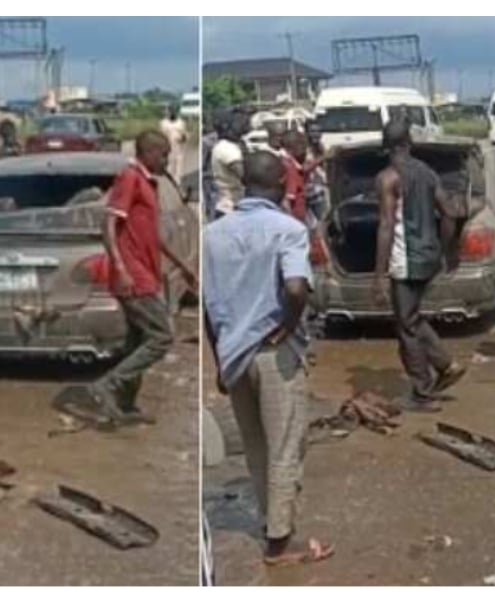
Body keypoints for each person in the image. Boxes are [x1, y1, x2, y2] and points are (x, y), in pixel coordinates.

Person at [202, 150, 334, 566]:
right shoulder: (287, 228)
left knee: (256, 444)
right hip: (274, 353)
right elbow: (297, 288)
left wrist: (219, 359)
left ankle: (268, 522)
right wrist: (287, 325)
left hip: (233, 354)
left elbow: (208, 305)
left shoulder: (211, 234)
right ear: (280, 187)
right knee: (285, 446)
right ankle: (280, 541)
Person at [89, 131, 197, 420]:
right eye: (163, 155)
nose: (166, 161)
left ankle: (126, 404)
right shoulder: (130, 178)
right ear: (148, 153)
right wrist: (121, 268)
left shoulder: (150, 184)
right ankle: (109, 384)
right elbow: (108, 224)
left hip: (147, 270)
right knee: (162, 336)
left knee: (136, 341)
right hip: (135, 275)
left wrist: (183, 266)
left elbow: (152, 235)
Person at [373, 118, 467, 412]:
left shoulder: (388, 178)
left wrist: (378, 274)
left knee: (406, 325)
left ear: (387, 147)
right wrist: (445, 249)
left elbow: (387, 226)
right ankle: (445, 365)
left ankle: (424, 391)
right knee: (411, 317)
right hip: (428, 256)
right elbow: (450, 212)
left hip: (406, 259)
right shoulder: (427, 173)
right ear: (409, 142)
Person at [210, 112, 247, 217]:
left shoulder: (230, 146)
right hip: (230, 207)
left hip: (232, 204)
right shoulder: (227, 149)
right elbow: (245, 175)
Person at [280, 130, 309, 222]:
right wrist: (291, 222)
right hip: (295, 218)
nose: (305, 149)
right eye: (302, 145)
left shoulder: (288, 162)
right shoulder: (289, 167)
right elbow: (287, 200)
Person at [159, 106, 189, 177]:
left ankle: (178, 178)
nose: (172, 113)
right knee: (168, 163)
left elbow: (184, 135)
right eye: (170, 111)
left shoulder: (181, 123)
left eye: (173, 111)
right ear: (168, 112)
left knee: (179, 162)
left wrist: (182, 138)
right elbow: (161, 135)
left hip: (178, 146)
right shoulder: (163, 123)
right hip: (167, 146)